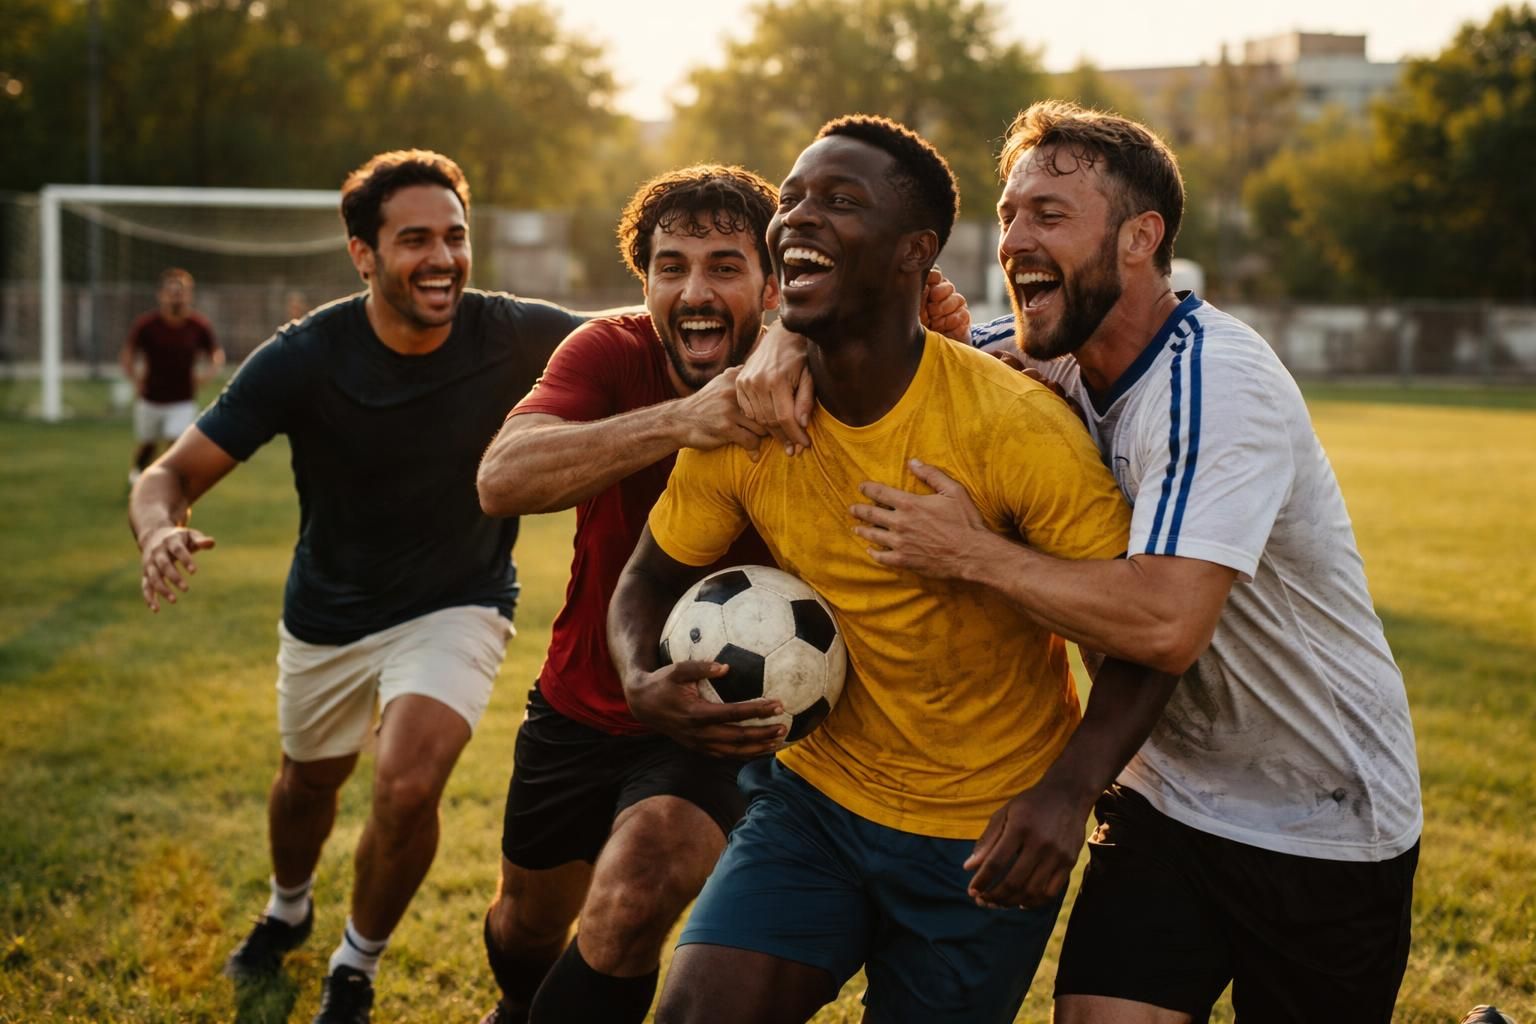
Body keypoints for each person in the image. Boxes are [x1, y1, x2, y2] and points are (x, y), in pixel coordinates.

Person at [739, 101, 1423, 1023]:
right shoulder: (1037, 355)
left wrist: (972, 553)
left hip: (1321, 810)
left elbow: (1166, 622)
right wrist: (788, 334)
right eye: (1011, 213)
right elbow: (882, 339)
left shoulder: (1217, 382)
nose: (1015, 239)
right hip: (1162, 796)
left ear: (1141, 238)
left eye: (1050, 217)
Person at [607, 115, 1174, 1024]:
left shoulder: (1014, 429)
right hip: (814, 807)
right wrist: (641, 678)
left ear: (917, 252)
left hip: (985, 834)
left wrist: (1067, 797)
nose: (796, 218)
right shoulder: (751, 419)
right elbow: (646, 579)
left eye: (839, 202)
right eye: (791, 200)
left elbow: (1143, 635)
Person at [471, 164, 970, 1024]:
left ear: (772, 285)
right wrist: (683, 420)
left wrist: (942, 320)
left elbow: (946, 354)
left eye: (724, 266)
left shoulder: (826, 360)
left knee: (636, 893)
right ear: (646, 283)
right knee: (525, 929)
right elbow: (500, 479)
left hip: (734, 708)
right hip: (584, 701)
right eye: (672, 267)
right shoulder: (607, 350)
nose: (694, 289)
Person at [128, 150, 602, 1024]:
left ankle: (355, 965)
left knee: (408, 783)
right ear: (363, 254)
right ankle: (288, 904)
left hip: (459, 599)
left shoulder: (510, 330)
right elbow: (168, 475)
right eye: (415, 239)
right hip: (329, 613)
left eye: (455, 238)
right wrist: (159, 531)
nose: (443, 258)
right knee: (308, 781)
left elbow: (641, 331)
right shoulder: (305, 356)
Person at [120, 267, 224, 485]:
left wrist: (209, 373)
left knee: (176, 443)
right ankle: (138, 472)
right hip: (151, 398)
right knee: (148, 444)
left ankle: (169, 483)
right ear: (161, 295)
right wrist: (134, 378)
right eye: (171, 291)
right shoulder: (147, 325)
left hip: (182, 400)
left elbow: (215, 353)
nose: (176, 295)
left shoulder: (198, 326)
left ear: (189, 295)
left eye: (181, 291)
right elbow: (129, 352)